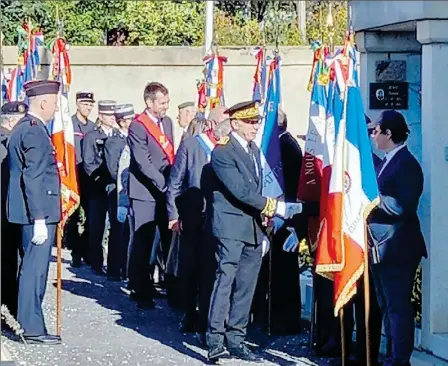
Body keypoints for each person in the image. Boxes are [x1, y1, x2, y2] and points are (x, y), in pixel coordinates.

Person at [205, 100, 304, 363]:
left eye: (256, 122)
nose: (254, 127)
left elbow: (258, 187)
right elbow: (240, 191)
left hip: (253, 227)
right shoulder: (223, 152)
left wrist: (267, 216)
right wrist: (276, 207)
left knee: (246, 286)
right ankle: (215, 339)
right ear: (235, 123)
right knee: (225, 281)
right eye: (250, 122)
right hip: (230, 227)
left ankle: (236, 337)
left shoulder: (253, 150)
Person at [368, 110, 427, 366]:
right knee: (387, 306)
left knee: (397, 307)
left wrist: (373, 200)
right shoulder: (387, 161)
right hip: (381, 248)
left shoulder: (407, 164)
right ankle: (392, 355)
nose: (373, 136)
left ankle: (400, 359)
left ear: (388, 134)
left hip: (398, 248)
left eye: (376, 131)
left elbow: (403, 206)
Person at [7, 80, 62, 344]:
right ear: (43, 102)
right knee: (34, 270)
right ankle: (31, 327)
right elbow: (34, 177)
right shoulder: (34, 132)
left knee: (30, 268)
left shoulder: (24, 127)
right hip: (36, 213)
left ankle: (26, 321)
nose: (55, 108)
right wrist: (40, 218)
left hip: (29, 211)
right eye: (54, 103)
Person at [166, 109, 230, 335]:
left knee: (212, 271)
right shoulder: (192, 145)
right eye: (225, 120)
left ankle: (206, 318)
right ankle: (189, 314)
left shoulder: (228, 147)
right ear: (212, 123)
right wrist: (173, 215)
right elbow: (175, 182)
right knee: (191, 269)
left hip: (219, 220)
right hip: (192, 218)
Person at [127, 82, 174, 309]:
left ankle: (169, 285)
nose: (166, 106)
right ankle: (139, 288)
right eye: (162, 102)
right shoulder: (138, 126)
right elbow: (142, 161)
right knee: (143, 241)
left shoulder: (168, 123)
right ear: (149, 102)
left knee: (168, 238)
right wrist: (163, 182)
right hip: (145, 191)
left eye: (167, 102)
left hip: (165, 190)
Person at [82, 100, 116, 275]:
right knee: (97, 226)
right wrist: (101, 181)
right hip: (98, 188)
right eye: (109, 115)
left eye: (113, 115)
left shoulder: (117, 135)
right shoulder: (91, 136)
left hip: (114, 188)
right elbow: (88, 163)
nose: (112, 118)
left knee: (115, 227)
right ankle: (95, 261)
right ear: (101, 116)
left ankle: (113, 264)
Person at [1, 101, 27, 318]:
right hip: (5, 211)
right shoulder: (6, 142)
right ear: (11, 121)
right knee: (7, 262)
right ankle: (7, 309)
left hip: (10, 210)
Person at [103, 104, 133, 281]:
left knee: (128, 231)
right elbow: (114, 168)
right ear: (121, 121)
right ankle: (115, 269)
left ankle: (125, 267)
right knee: (118, 230)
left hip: (131, 189)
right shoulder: (113, 141)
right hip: (118, 189)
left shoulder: (132, 138)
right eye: (128, 119)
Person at [66, 91, 96, 267]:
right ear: (77, 104)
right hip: (73, 175)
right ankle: (75, 251)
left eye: (91, 105)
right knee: (73, 216)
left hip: (89, 177)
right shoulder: (69, 125)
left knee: (91, 216)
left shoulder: (92, 127)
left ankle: (86, 249)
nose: (88, 108)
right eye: (85, 104)